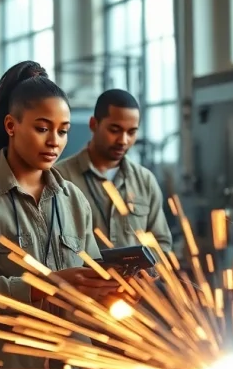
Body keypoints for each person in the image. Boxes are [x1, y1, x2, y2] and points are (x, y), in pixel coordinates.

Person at [0, 61, 118, 369]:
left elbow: (89, 288)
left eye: (63, 131)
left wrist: (117, 291)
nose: (54, 142)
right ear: (11, 125)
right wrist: (42, 286)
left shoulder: (73, 200)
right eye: (42, 128)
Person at [54, 89, 173, 254]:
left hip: (137, 280)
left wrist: (145, 270)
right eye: (115, 130)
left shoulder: (145, 181)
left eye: (131, 132)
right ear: (93, 124)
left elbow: (162, 242)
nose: (123, 140)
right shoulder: (59, 177)